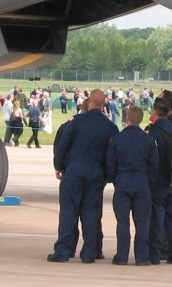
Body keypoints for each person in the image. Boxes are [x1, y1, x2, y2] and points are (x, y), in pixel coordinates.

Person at [48, 89, 119, 264]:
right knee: (92, 213)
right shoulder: (111, 127)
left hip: (74, 172)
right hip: (96, 174)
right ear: (103, 104)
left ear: (89, 102)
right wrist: (108, 175)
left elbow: (63, 145)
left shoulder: (75, 122)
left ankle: (63, 251)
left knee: (69, 212)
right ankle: (90, 252)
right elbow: (112, 155)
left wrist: (59, 166)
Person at [106, 106, 158, 266]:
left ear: (127, 118)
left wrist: (114, 179)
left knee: (122, 222)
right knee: (142, 223)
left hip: (122, 182)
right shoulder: (149, 140)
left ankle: (122, 256)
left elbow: (110, 164)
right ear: (141, 120)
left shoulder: (117, 139)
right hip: (142, 182)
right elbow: (154, 166)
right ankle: (142, 257)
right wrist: (149, 182)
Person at [146, 97, 172, 265]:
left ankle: (155, 254)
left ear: (155, 112)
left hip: (159, 181)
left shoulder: (153, 132)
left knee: (157, 218)